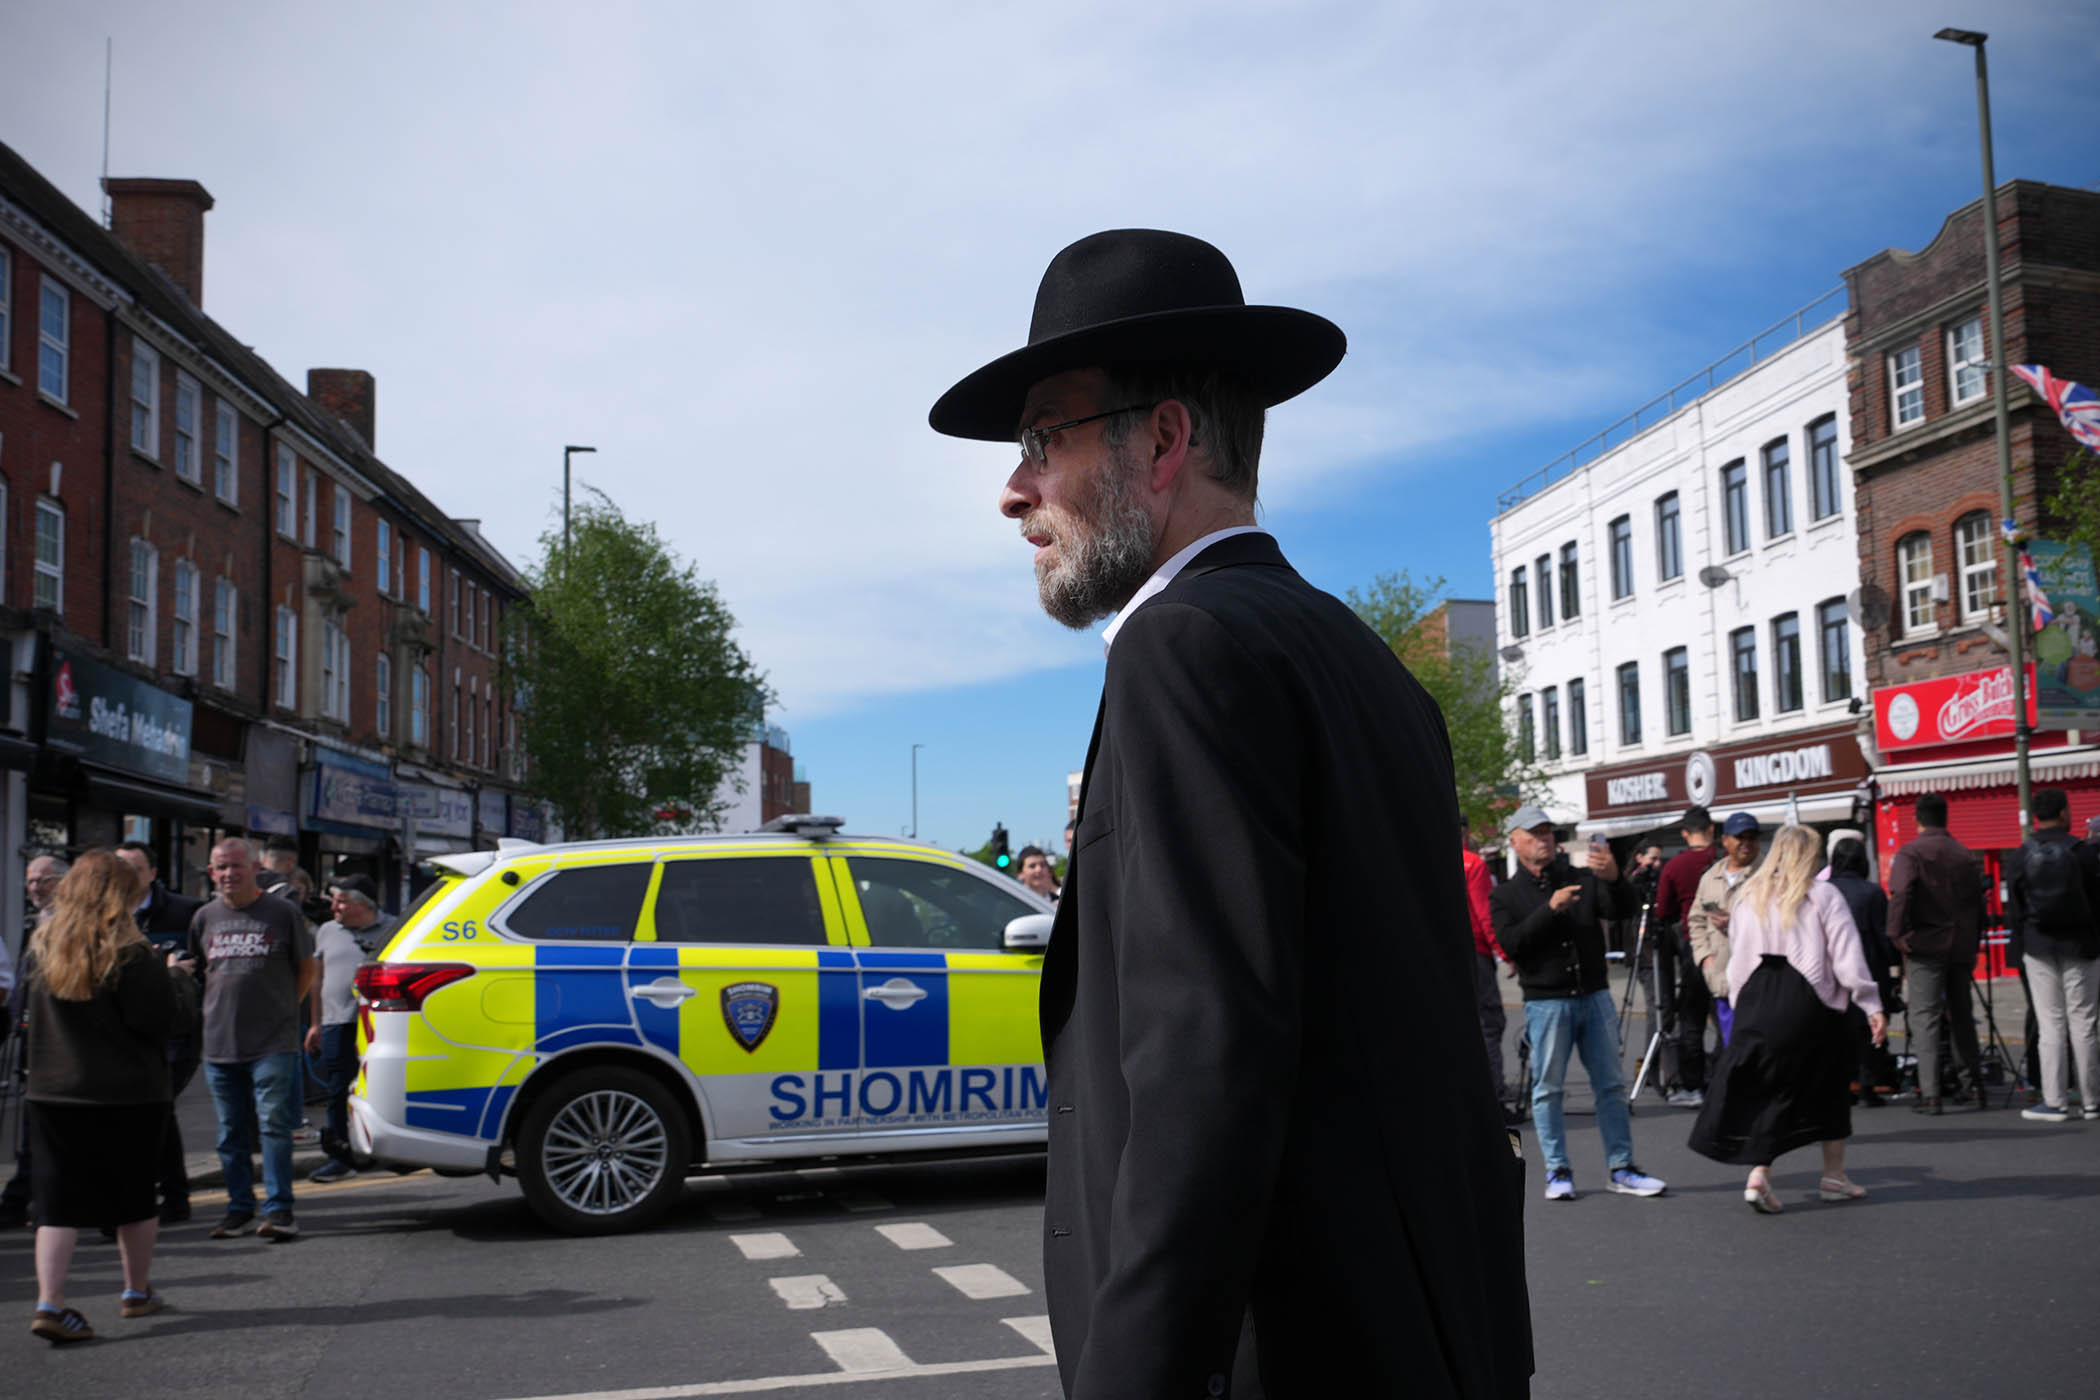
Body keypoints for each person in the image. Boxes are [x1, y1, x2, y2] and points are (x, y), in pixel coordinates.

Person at [933, 228, 1529, 1396]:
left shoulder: (1182, 644)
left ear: (1161, 439)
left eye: (1042, 439)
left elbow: (1203, 1072)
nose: (1014, 490)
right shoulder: (1362, 661)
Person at [19, 850, 197, 1342]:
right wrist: (177, 979)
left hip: (53, 1092)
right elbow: (163, 1022)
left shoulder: (44, 944)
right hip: (129, 1094)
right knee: (135, 1197)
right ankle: (135, 1293)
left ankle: (49, 1303)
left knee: (54, 1205)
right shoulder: (131, 953)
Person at [1689, 826, 1885, 1212]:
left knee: (1769, 1086)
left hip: (1758, 996)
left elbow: (1740, 959)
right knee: (1829, 1087)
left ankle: (1759, 1172)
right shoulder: (1823, 895)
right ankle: (1833, 1175)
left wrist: (1742, 1001)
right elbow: (1847, 959)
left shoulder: (1749, 895)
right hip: (1811, 999)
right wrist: (1871, 1003)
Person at [1491, 808, 1667, 1204]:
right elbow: (1512, 944)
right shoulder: (1505, 894)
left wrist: (1614, 878)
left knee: (1610, 1086)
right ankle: (1558, 1170)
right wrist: (1549, 909)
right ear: (1515, 842)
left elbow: (1620, 910)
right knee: (1548, 1090)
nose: (1545, 839)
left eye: (1548, 832)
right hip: (1546, 1002)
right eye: (1534, 834)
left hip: (1594, 995)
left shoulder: (1580, 876)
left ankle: (1622, 1167)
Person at [189, 837, 316, 1240]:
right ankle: (239, 1209)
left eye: (235, 866)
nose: (228, 874)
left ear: (255, 867)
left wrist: (283, 1011)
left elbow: (307, 969)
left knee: (274, 1127)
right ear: (211, 872)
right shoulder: (204, 917)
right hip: (219, 1043)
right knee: (230, 1133)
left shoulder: (282, 913)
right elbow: (199, 974)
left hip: (272, 1043)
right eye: (220, 868)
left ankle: (279, 1212)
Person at [113, 842, 206, 1222]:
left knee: (159, 1108)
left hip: (174, 1031)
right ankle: (169, 1192)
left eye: (135, 868)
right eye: (119, 868)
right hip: (129, 1033)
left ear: (152, 873)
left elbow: (202, 969)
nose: (126, 876)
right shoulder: (108, 915)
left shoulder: (185, 913)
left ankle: (165, 1194)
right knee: (154, 1114)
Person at [2002, 787, 2100, 1123]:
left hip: (2038, 945)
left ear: (2035, 818)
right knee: (2084, 1022)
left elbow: (2013, 909)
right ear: (2064, 813)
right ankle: (2092, 1100)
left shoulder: (2020, 855)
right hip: (2082, 945)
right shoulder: (2084, 853)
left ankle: (2054, 1101)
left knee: (2051, 1023)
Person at [1888, 793, 1985, 1114]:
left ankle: (1930, 1093)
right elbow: (1978, 903)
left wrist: (1896, 933)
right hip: (1960, 944)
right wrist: (1975, 938)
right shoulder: (1965, 854)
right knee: (1961, 1015)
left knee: (1925, 1016)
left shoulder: (1910, 853)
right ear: (1946, 818)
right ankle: (1972, 1085)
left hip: (1926, 944)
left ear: (1917, 819)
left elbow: (1901, 892)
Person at [305, 875, 390, 1182]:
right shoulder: (327, 931)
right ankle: (340, 1157)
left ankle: (387, 1147)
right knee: (337, 1089)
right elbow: (318, 978)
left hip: (378, 1022)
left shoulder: (393, 928)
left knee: (381, 1085)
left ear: (362, 905)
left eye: (341, 901)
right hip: (335, 1022)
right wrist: (315, 1023)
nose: (334, 906)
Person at [1, 854, 69, 1230]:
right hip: (32, 1043)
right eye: (31, 881)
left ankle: (27, 1199)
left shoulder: (68, 927)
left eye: (45, 880)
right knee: (35, 1127)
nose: (36, 888)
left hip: (57, 1046)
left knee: (43, 1127)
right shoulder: (37, 923)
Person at [1650, 808, 1723, 1105]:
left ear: (1684, 833)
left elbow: (1663, 911)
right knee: (1726, 1016)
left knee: (1691, 1020)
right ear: (1712, 830)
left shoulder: (1674, 866)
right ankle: (1725, 1076)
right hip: (1727, 947)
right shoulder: (1722, 860)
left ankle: (1693, 1085)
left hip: (1692, 948)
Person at [1826, 838, 1901, 1106]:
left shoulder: (1824, 890)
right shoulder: (1872, 893)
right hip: (1869, 968)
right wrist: (1895, 971)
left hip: (1832, 970)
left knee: (1837, 1032)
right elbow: (1885, 937)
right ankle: (1868, 1086)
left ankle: (1843, 1085)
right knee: (1870, 1030)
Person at [1688, 813, 1763, 1045]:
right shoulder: (1711, 877)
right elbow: (1696, 920)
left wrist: (1737, 923)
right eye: (1740, 837)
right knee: (1732, 1049)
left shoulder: (1769, 875)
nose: (1746, 843)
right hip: (1722, 978)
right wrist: (1705, 958)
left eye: (1752, 837)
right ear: (1725, 840)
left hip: (1759, 981)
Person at [1462, 825, 1519, 1125]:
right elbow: (1485, 913)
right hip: (1476, 952)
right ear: (1465, 832)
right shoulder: (1472, 863)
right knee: (1489, 1023)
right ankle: (1494, 1098)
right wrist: (1505, 953)